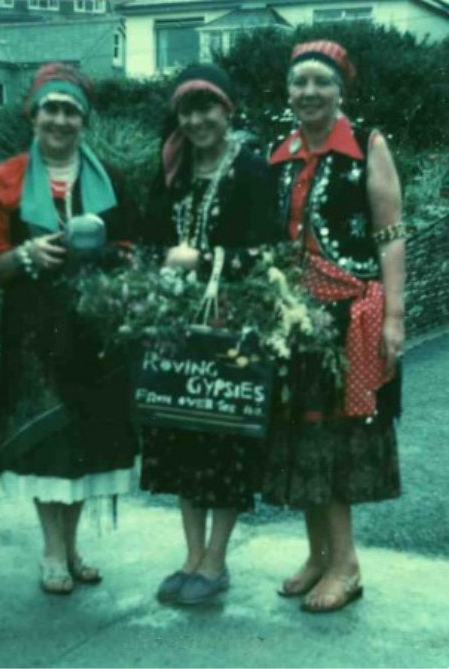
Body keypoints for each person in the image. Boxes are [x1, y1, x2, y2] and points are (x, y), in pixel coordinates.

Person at [0, 63, 139, 595]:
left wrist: (109, 260)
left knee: (86, 441)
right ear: (33, 114)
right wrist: (27, 253)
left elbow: (130, 249)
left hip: (95, 329)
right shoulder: (6, 179)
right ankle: (52, 549)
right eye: (50, 108)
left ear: (84, 120)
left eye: (70, 110)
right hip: (34, 329)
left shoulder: (111, 180)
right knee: (49, 440)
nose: (59, 119)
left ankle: (72, 546)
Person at [265, 40, 405, 613]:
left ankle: (346, 566)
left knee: (334, 443)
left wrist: (395, 316)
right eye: (300, 83)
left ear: (340, 90)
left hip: (351, 316)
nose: (309, 93)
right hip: (295, 320)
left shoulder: (367, 144)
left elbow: (390, 233)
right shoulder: (280, 152)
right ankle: (318, 554)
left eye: (321, 82)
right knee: (301, 436)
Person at [138, 63, 279, 605]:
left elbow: (267, 254)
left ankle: (216, 560)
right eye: (188, 109)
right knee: (180, 439)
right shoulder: (172, 167)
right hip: (178, 326)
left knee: (222, 444)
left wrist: (200, 260)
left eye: (207, 107)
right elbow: (150, 241)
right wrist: (159, 268)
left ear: (228, 110)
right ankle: (191, 555)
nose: (198, 119)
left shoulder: (251, 169)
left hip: (229, 325)